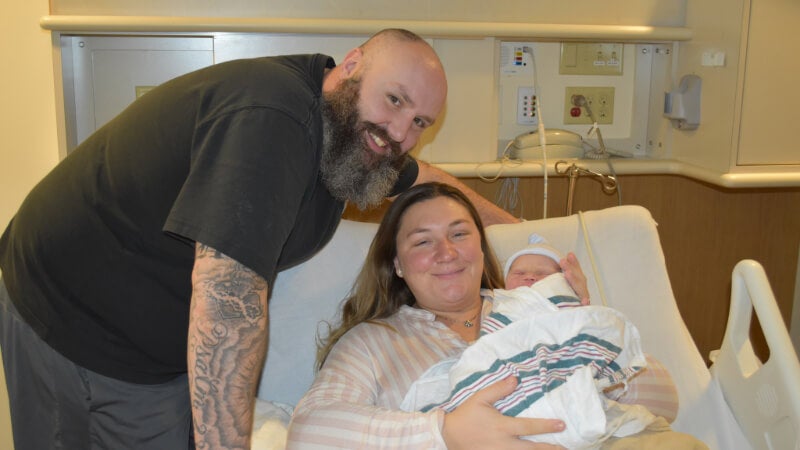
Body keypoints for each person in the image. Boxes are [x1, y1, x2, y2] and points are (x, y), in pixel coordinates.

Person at [0, 29, 526, 449]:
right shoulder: (271, 121)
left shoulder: (352, 136)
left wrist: (532, 243)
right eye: (394, 100)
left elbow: (430, 179)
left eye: (419, 122)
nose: (399, 133)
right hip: (74, 315)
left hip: (164, 342)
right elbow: (228, 302)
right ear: (351, 66)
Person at [287, 182, 591, 449]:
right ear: (398, 265)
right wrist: (443, 433)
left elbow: (634, 388)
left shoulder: (534, 313)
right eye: (423, 241)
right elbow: (309, 432)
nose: (446, 253)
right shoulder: (371, 342)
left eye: (459, 234)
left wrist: (582, 322)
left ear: (481, 249)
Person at [401, 233, 683, 448]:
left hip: (588, 414)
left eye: (544, 275)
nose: (531, 278)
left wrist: (580, 316)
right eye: (520, 273)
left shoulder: (572, 312)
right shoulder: (497, 312)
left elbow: (667, 404)